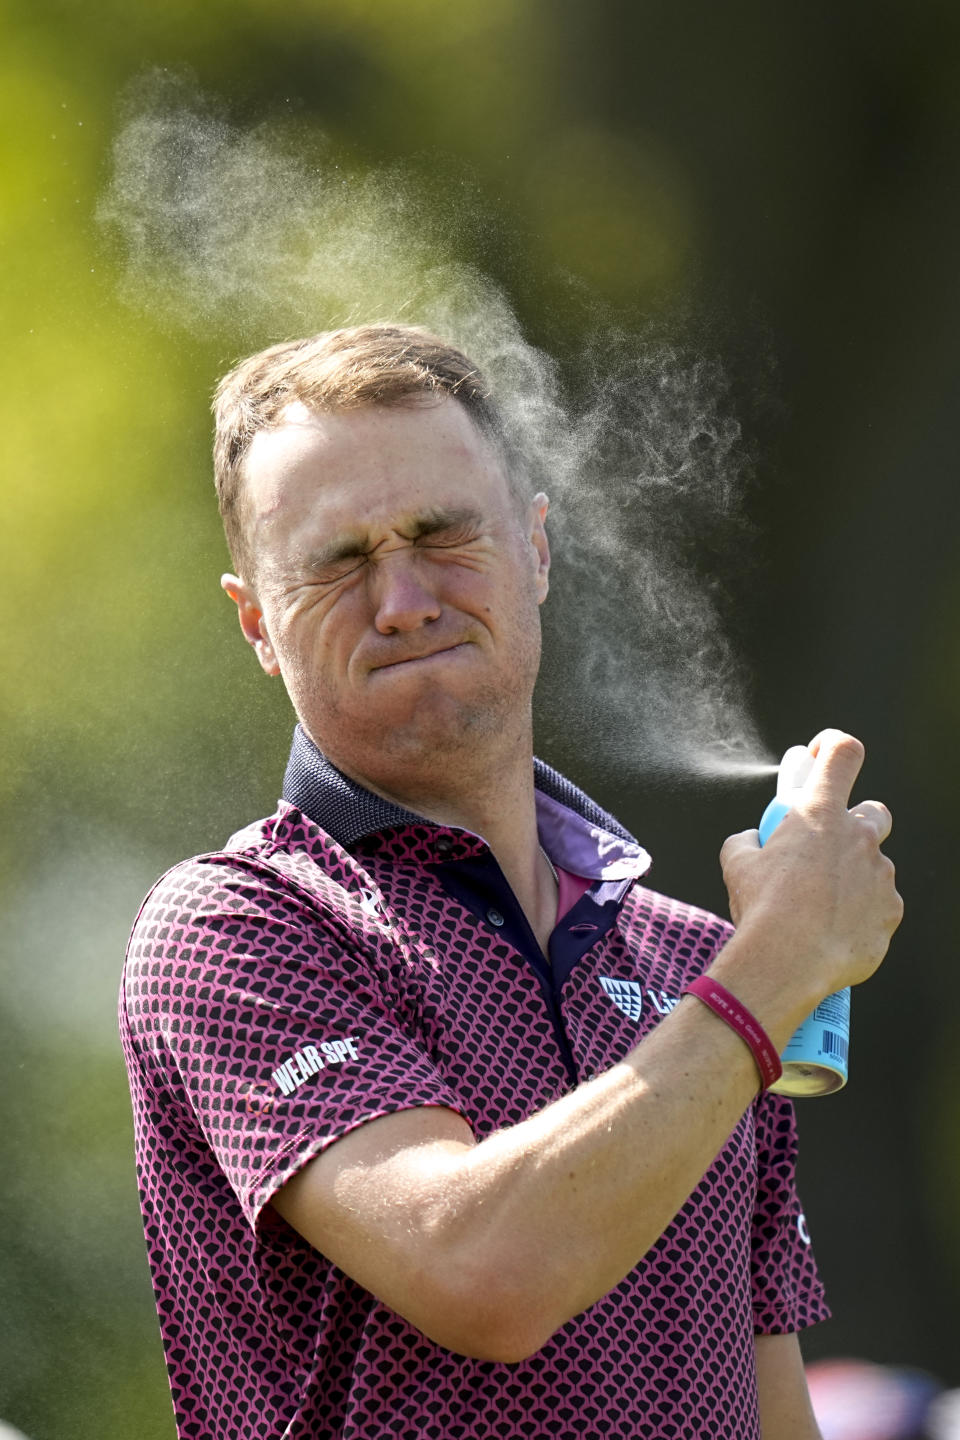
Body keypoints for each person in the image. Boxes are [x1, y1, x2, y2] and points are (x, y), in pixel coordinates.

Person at [120, 324, 902, 1440]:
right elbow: (487, 1276)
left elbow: (776, 1411)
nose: (401, 598)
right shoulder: (238, 926)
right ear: (256, 620)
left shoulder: (699, 969)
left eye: (444, 536)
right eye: (337, 561)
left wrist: (752, 981)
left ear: (534, 550)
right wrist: (775, 971)